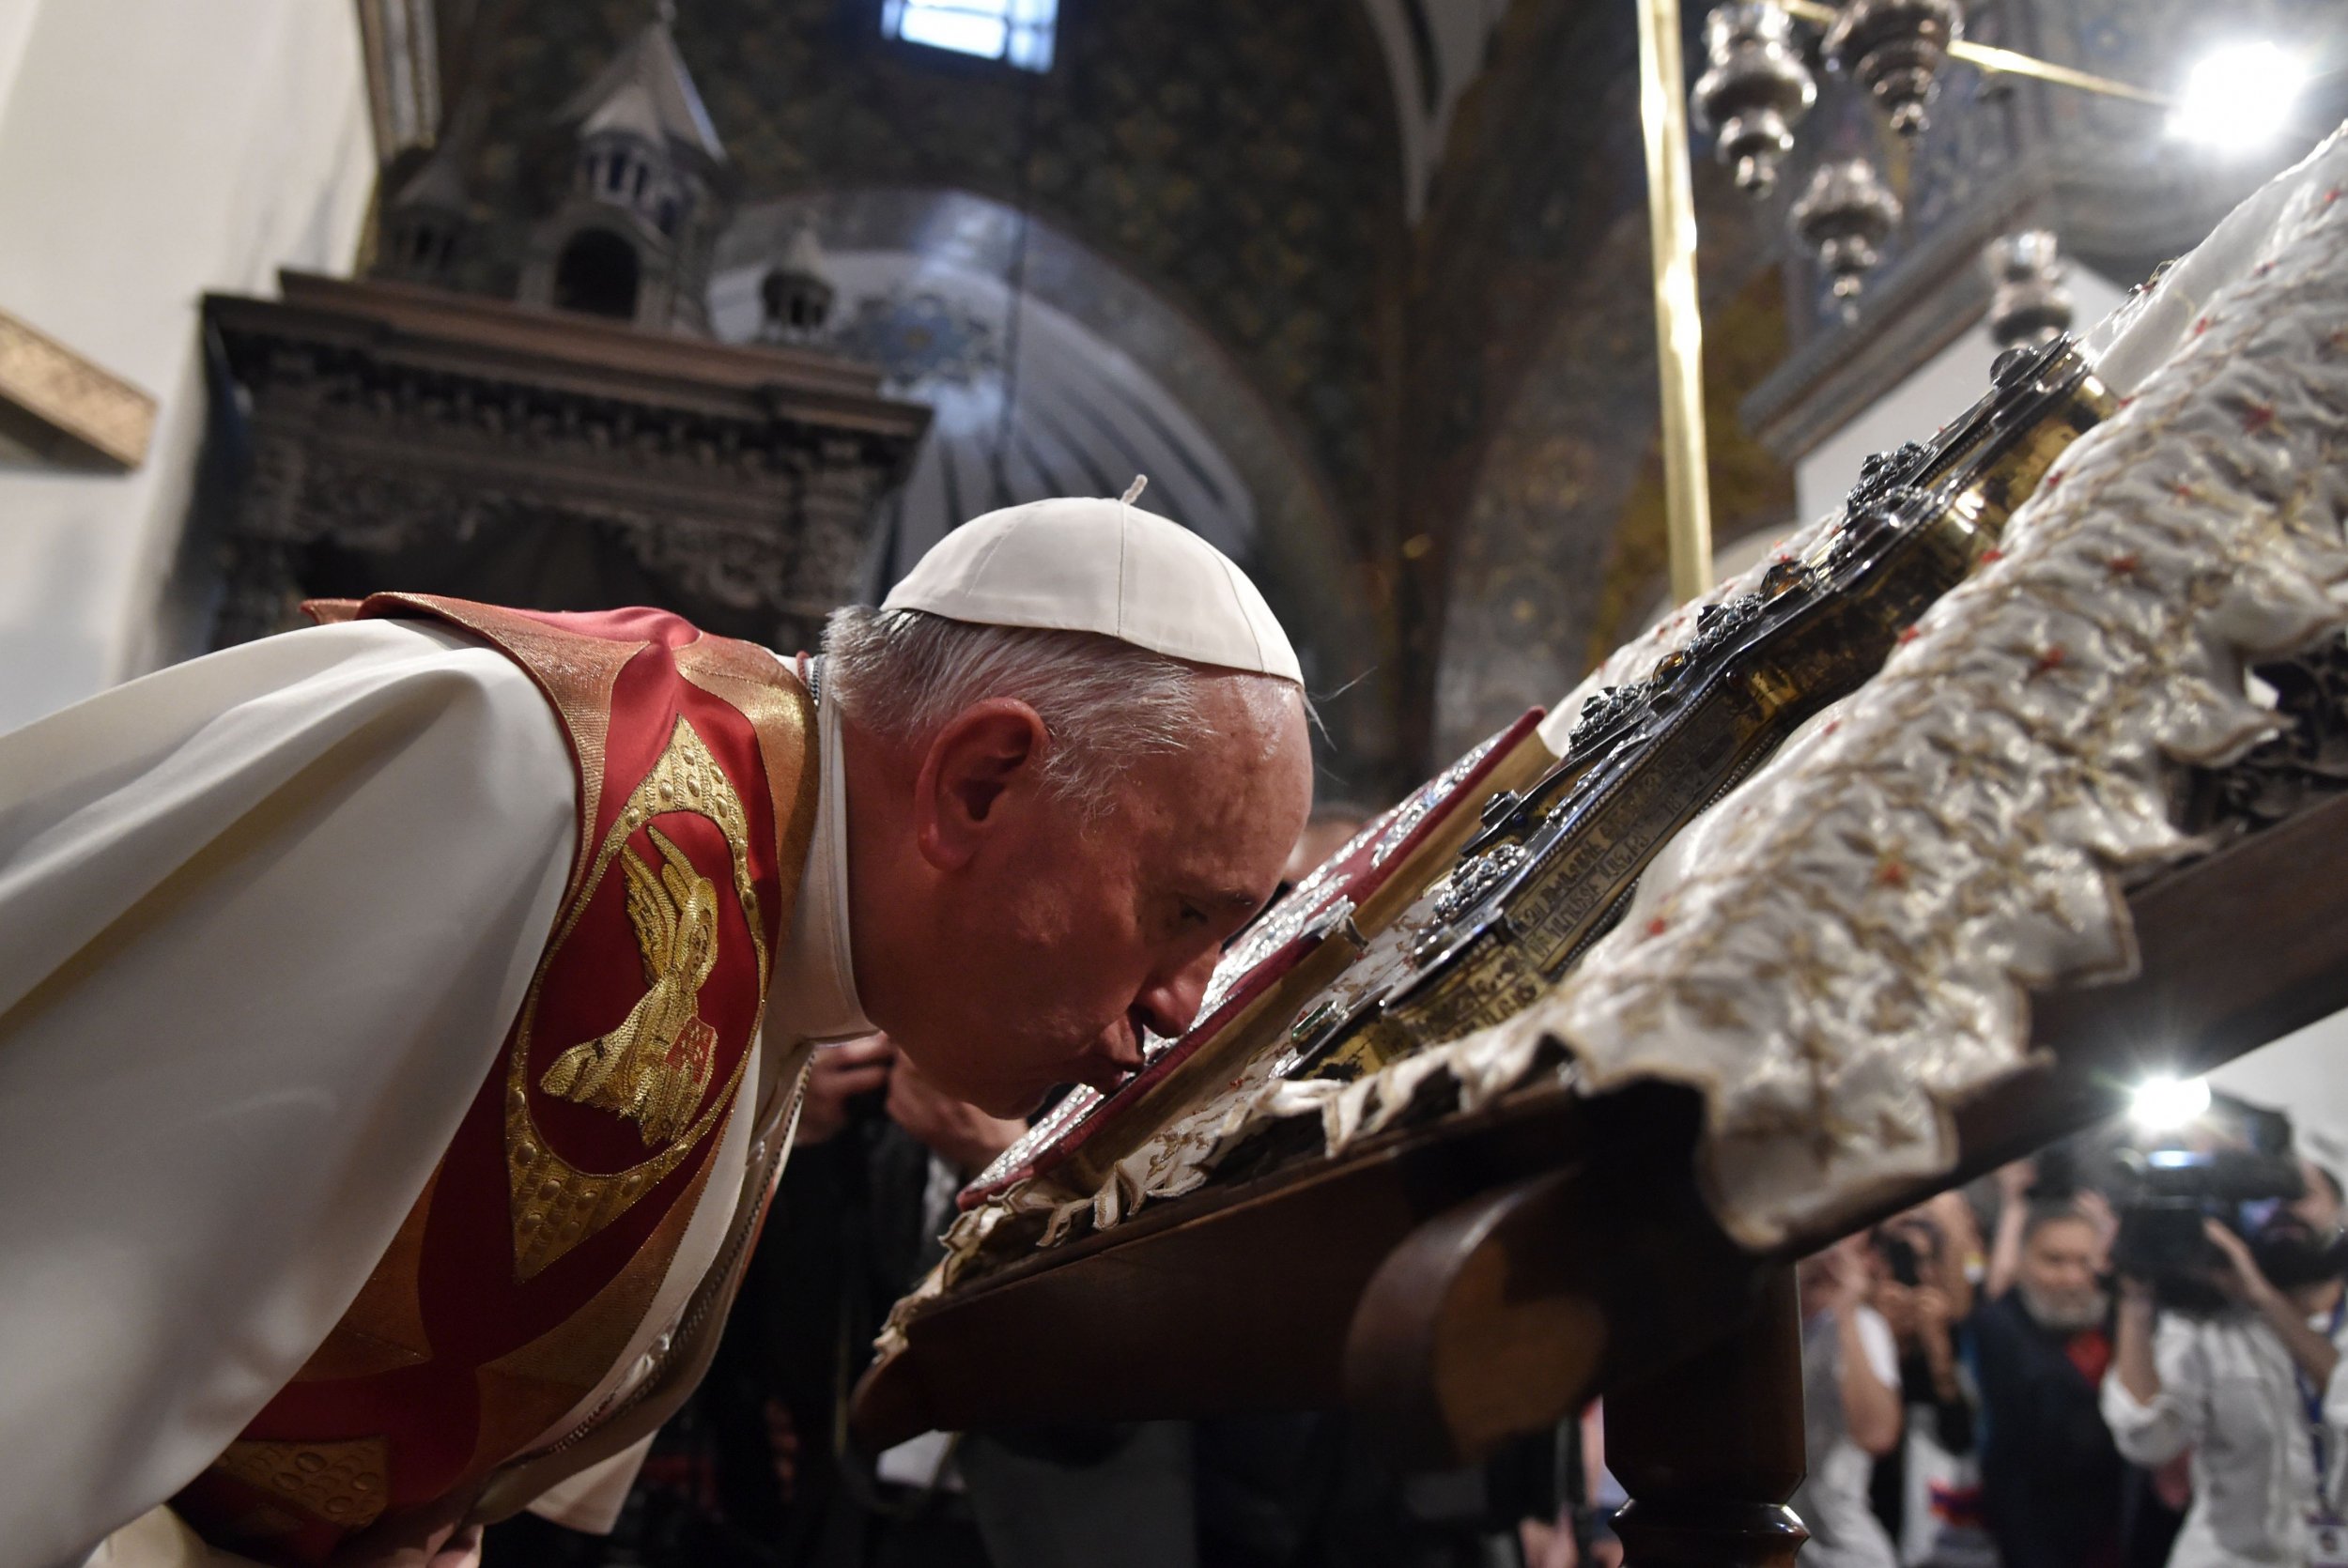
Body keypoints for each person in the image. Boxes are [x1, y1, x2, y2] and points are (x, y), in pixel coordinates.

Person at [0, 486, 1314, 1568]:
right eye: (1182, 912)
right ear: (979, 784)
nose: (1179, 1010)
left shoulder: (801, 936)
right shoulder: (502, 767)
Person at [2103, 1160, 2348, 1568]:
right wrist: (2136, 1298)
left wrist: (2265, 1299)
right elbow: (2147, 1440)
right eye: (2263, 1199)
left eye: (2298, 1195)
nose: (2281, 1211)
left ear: (2341, 1210)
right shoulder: (2207, 1322)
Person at [1970, 1200, 2126, 1568]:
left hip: (2120, 1532)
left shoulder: (2123, 1322)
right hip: (2039, 1536)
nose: (2072, 1278)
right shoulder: (1999, 1327)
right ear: (2022, 1262)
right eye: (2054, 1261)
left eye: (2084, 1262)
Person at [1792, 1237, 1906, 1568]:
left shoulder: (1862, 1326)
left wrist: (1847, 1309)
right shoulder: (1762, 1326)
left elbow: (1877, 1434)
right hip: (1774, 1538)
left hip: (1841, 1545)